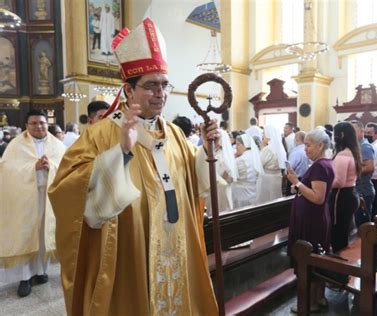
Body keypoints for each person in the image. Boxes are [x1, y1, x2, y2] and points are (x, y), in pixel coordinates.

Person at [48, 18, 219, 315]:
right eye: (151, 85)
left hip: (176, 247)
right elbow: (70, 194)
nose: (160, 94)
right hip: (130, 252)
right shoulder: (99, 134)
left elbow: (196, 185)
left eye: (165, 85)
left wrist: (207, 150)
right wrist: (121, 153)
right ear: (128, 90)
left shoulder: (176, 134)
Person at [0, 110, 65, 297]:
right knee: (27, 233)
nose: (39, 126)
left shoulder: (57, 146)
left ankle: (40, 272)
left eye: (42, 123)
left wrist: (50, 166)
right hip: (24, 198)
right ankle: (25, 277)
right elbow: (7, 170)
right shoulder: (16, 145)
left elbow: (67, 167)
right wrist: (32, 167)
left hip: (49, 197)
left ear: (47, 124)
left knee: (44, 235)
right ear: (27, 126)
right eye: (34, 123)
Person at [287, 127, 335, 313]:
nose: (305, 149)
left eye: (308, 145)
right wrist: (298, 186)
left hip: (311, 220)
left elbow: (317, 197)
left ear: (321, 145)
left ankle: (308, 303)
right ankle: (319, 297)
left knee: (309, 259)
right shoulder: (323, 164)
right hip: (315, 218)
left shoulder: (319, 166)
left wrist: (296, 182)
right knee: (317, 257)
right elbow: (311, 190)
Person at [329, 122, 361, 252]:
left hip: (340, 197)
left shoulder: (342, 155)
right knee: (343, 230)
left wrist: (323, 182)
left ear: (341, 135)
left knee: (338, 233)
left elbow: (338, 182)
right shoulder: (352, 152)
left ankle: (338, 265)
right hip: (350, 193)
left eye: (334, 134)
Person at [198, 128, 237, 215]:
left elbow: (217, 176)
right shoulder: (218, 154)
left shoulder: (220, 157)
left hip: (219, 191)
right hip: (217, 190)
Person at [351, 120, 375, 226]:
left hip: (362, 191)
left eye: (352, 131)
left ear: (361, 131)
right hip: (357, 190)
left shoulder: (364, 146)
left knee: (362, 224)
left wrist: (349, 173)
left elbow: (370, 167)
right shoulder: (355, 146)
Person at [256, 124, 286, 204]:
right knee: (275, 198)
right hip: (277, 177)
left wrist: (261, 150)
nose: (263, 137)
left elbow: (259, 164)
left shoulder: (268, 149)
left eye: (264, 134)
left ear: (268, 135)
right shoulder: (280, 147)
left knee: (266, 200)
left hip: (267, 178)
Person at [232, 134, 263, 208]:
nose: (236, 147)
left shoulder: (241, 160)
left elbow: (230, 176)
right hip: (253, 192)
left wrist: (233, 158)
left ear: (245, 145)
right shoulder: (255, 156)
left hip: (241, 194)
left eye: (238, 144)